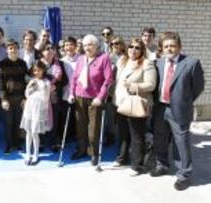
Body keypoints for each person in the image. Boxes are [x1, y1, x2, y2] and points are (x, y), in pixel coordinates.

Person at [151, 32, 204, 191]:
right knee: (160, 138)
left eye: (172, 45)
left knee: (181, 141)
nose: (169, 48)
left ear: (179, 46)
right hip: (160, 108)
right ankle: (162, 165)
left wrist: (185, 101)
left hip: (180, 109)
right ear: (162, 48)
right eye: (166, 46)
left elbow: (198, 87)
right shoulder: (158, 63)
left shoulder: (192, 63)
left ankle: (184, 175)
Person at [113, 38, 157, 175]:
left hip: (136, 104)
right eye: (131, 46)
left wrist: (133, 86)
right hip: (121, 103)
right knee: (123, 133)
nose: (133, 49)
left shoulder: (147, 64)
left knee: (137, 135)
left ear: (142, 50)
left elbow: (151, 84)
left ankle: (137, 165)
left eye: (137, 47)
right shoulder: (122, 61)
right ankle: (122, 159)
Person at [68, 34, 113, 165]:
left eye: (90, 45)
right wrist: (71, 93)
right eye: (85, 45)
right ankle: (82, 150)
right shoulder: (81, 59)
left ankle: (93, 153)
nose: (87, 47)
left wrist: (100, 97)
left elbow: (108, 80)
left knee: (93, 128)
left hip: (95, 99)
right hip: (79, 96)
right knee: (80, 126)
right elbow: (75, 78)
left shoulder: (103, 58)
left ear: (96, 46)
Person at [0, 39, 28, 154]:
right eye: (10, 48)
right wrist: (3, 98)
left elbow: (27, 81)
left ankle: (17, 143)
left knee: (18, 122)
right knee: (8, 123)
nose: (13, 50)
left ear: (18, 50)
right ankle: (9, 145)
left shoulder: (23, 63)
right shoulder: (2, 64)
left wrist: (25, 98)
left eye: (15, 48)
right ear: (7, 50)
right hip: (8, 99)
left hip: (20, 98)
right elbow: (0, 83)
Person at [20, 60, 52, 165]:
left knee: (34, 132)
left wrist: (40, 84)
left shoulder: (46, 82)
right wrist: (30, 86)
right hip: (30, 107)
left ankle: (36, 154)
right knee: (28, 131)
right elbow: (26, 94)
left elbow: (45, 97)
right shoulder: (32, 80)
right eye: (34, 71)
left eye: (38, 70)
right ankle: (28, 154)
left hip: (39, 109)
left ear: (43, 70)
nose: (36, 72)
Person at [40, 41, 68, 152]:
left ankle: (54, 141)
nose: (50, 50)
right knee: (42, 118)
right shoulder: (39, 63)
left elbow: (65, 80)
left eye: (52, 48)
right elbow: (35, 79)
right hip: (42, 97)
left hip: (55, 96)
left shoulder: (60, 64)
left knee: (55, 119)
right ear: (42, 52)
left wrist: (55, 87)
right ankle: (41, 142)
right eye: (47, 48)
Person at [60, 36, 79, 141]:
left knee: (77, 117)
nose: (69, 47)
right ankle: (66, 136)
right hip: (65, 92)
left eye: (71, 44)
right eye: (66, 45)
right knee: (65, 116)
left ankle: (77, 136)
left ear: (75, 46)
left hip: (78, 92)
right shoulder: (61, 61)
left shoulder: (81, 59)